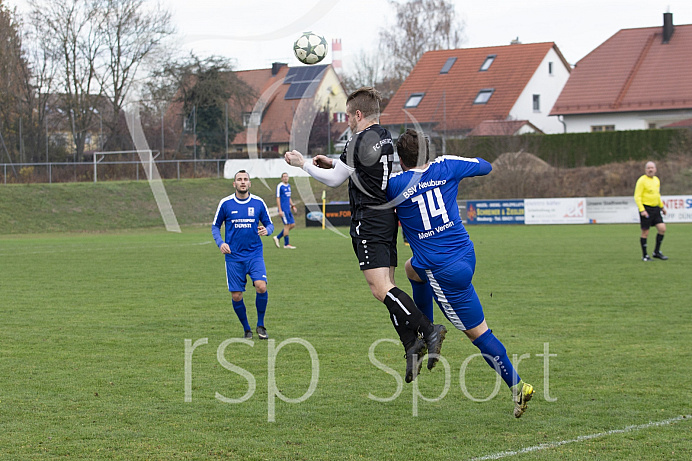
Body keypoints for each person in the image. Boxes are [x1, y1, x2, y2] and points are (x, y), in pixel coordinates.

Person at [284, 87, 446, 383]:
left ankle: (427, 329)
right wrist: (333, 162)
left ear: (358, 115)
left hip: (367, 220)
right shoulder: (384, 135)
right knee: (390, 287)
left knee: (380, 289)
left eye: (348, 115)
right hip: (386, 217)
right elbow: (361, 168)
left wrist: (303, 164)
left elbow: (335, 181)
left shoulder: (357, 140)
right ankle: (411, 345)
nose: (346, 120)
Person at [387, 129, 534, 417]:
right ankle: (426, 327)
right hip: (465, 254)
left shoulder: (394, 185)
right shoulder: (446, 166)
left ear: (401, 160)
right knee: (411, 269)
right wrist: (449, 170)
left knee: (479, 334)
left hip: (442, 270)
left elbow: (365, 186)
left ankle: (519, 385)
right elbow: (485, 166)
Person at [212, 170, 275, 340]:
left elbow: (270, 224)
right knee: (236, 295)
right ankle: (247, 329)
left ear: (249, 184)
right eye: (239, 179)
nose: (242, 182)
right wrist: (221, 243)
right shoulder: (225, 204)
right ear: (234, 184)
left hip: (254, 254)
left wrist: (267, 230)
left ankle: (261, 326)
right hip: (233, 257)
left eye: (245, 179)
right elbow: (215, 227)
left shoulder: (258, 203)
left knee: (261, 286)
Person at [634, 161, 668, 261]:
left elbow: (657, 195)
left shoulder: (656, 180)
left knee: (662, 229)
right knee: (645, 232)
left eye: (652, 168)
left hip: (656, 208)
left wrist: (662, 207)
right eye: (648, 168)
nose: (650, 170)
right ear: (645, 170)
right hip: (646, 208)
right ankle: (645, 255)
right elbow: (637, 196)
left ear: (655, 169)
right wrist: (642, 210)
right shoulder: (641, 180)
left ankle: (656, 252)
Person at [273, 172, 298, 249]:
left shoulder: (289, 186)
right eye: (284, 177)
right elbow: (278, 198)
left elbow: (289, 197)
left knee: (292, 225)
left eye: (286, 176)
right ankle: (286, 244)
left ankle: (277, 237)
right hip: (283, 209)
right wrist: (280, 210)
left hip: (288, 209)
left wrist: (293, 206)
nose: (285, 178)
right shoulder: (280, 186)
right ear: (281, 178)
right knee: (287, 225)